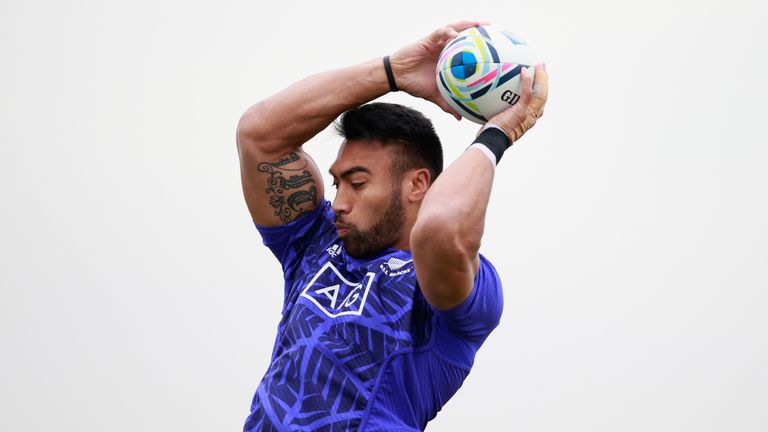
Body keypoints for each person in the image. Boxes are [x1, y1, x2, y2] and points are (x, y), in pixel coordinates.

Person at [236, 20, 548, 432]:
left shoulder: (449, 282)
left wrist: (498, 134)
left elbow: (437, 228)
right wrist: (392, 72)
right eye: (337, 183)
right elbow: (259, 133)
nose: (339, 202)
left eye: (358, 183)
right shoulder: (312, 243)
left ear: (418, 184)